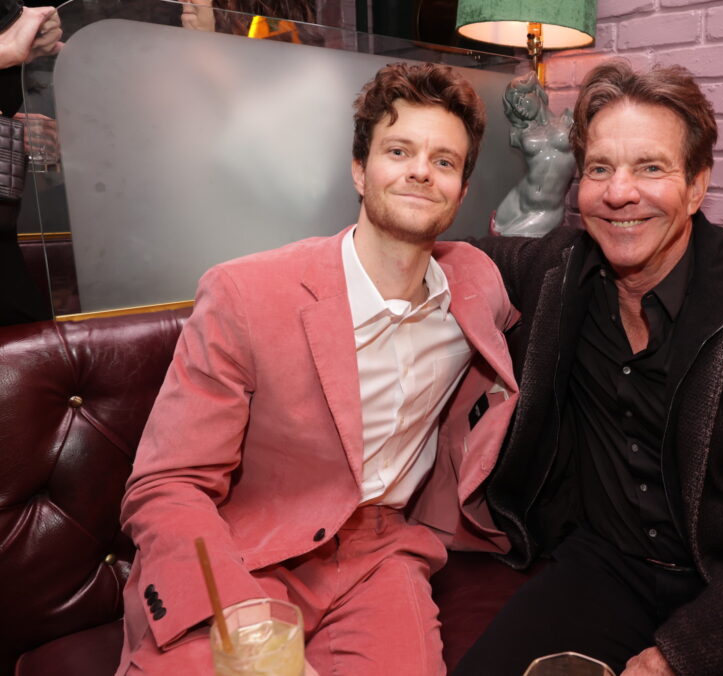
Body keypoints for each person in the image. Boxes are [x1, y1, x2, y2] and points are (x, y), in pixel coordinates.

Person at [456, 59, 723, 676]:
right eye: (600, 168)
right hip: (607, 566)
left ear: (697, 185)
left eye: (650, 167)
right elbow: (441, 253)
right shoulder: (558, 278)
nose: (619, 192)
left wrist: (680, 656)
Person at [117, 62, 519, 676]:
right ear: (359, 170)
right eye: (399, 150)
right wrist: (243, 620)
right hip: (244, 549)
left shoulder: (476, 284)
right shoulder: (245, 294)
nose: (420, 171)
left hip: (381, 551)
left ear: (463, 190)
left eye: (444, 161)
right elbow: (166, 486)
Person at [492, 71, 575, 237]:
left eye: (522, 99)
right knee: (496, 236)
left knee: (509, 243)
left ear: (536, 91)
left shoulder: (569, 120)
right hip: (516, 201)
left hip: (547, 210)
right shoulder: (520, 133)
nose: (520, 108)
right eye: (515, 106)